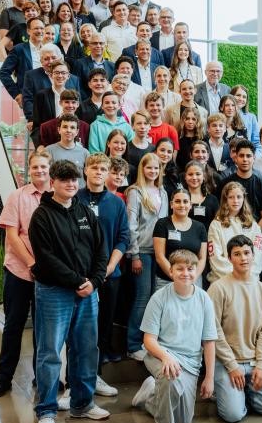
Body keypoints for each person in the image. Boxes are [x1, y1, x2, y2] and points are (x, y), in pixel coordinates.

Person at [29, 160, 109, 423]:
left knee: (86, 349)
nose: (71, 184)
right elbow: (46, 259)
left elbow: (101, 249)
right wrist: (77, 281)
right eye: (64, 180)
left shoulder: (85, 211)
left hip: (87, 292)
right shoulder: (41, 216)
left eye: (74, 180)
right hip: (54, 292)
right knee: (50, 352)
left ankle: (82, 404)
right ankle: (47, 410)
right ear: (53, 182)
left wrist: (95, 282)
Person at [132, 249, 216, 423]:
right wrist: (166, 357)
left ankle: (150, 395)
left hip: (190, 362)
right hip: (160, 354)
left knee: (183, 421)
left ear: (197, 270)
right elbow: (149, 340)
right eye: (180, 268)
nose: (185, 273)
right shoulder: (159, 298)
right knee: (170, 377)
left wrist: (209, 377)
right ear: (171, 271)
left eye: (190, 268)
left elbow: (209, 342)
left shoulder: (204, 299)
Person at [0, 150, 52, 398]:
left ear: (50, 168)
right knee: (13, 326)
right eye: (35, 167)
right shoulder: (18, 196)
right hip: (18, 271)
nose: (39, 171)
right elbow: (12, 235)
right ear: (29, 169)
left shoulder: (57, 197)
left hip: (48, 275)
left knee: (43, 329)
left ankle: (43, 378)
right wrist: (32, 263)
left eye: (43, 167)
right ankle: (3, 379)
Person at [208, 235, 262, 423]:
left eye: (247, 253)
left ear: (253, 255)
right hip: (226, 361)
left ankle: (241, 391)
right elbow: (213, 331)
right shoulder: (218, 288)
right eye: (237, 254)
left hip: (254, 359)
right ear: (230, 258)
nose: (243, 258)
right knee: (233, 415)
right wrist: (231, 366)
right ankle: (228, 391)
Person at [78, 154, 131, 377]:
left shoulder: (117, 202)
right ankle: (76, 376)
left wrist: (110, 267)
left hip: (110, 275)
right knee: (80, 328)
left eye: (103, 168)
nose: (99, 172)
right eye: (95, 167)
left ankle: (97, 374)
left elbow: (123, 237)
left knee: (104, 325)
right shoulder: (75, 198)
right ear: (86, 171)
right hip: (81, 275)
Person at [126, 153, 169, 361]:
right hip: (142, 252)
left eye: (156, 168)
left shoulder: (163, 191)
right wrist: (134, 254)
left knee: (155, 299)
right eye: (149, 168)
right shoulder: (135, 192)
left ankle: (148, 341)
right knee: (142, 298)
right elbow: (131, 224)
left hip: (159, 252)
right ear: (142, 169)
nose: (153, 171)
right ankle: (133, 344)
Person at [207, 182, 262, 284]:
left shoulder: (253, 225)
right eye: (231, 197)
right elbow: (216, 257)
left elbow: (257, 256)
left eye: (239, 197)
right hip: (223, 281)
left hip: (249, 281)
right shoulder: (216, 224)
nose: (235, 201)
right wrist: (235, 276)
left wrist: (247, 276)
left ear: (243, 199)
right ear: (225, 200)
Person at [153, 189, 207, 290]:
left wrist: (192, 278)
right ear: (171, 204)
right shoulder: (162, 224)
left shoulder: (200, 227)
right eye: (177, 201)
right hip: (166, 280)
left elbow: (202, 258)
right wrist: (177, 277)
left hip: (193, 281)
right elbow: (160, 257)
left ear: (190, 205)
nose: (182, 205)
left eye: (185, 201)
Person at [218, 139, 262, 229]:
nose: (245, 159)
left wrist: (253, 234)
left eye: (248, 156)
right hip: (229, 232)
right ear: (236, 158)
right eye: (241, 156)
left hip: (255, 234)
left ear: (254, 158)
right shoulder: (225, 183)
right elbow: (220, 212)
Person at [0, 16, 45, 104]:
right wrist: (16, 94)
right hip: (29, 98)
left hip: (46, 98)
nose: (39, 31)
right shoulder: (19, 49)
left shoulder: (48, 50)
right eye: (36, 28)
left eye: (42, 28)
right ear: (28, 31)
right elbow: (4, 73)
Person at [31, 61, 73, 145]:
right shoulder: (41, 96)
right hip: (47, 143)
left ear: (68, 76)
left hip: (69, 143)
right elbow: (36, 126)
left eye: (63, 73)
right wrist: (39, 146)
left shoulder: (73, 96)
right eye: (56, 73)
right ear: (50, 75)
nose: (60, 76)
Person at [45, 114, 89, 184]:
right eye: (65, 127)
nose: (68, 130)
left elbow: (89, 177)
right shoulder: (48, 151)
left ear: (77, 132)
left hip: (79, 193)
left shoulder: (85, 153)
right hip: (57, 192)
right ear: (59, 130)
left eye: (72, 127)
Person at [184, 160, 219, 233]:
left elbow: (217, 225)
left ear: (204, 176)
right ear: (185, 177)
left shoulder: (213, 200)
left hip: (207, 241)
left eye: (198, 174)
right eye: (190, 174)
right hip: (184, 242)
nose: (194, 177)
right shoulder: (179, 199)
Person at [125, 111, 155, 184]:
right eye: (139, 123)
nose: (142, 127)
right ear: (132, 126)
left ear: (150, 126)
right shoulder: (125, 148)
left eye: (145, 123)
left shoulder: (154, 149)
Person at [230, 85, 261, 154]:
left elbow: (257, 142)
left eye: (244, 97)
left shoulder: (251, 117)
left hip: (246, 157)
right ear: (231, 96)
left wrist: (254, 157)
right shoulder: (224, 116)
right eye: (238, 95)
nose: (241, 99)